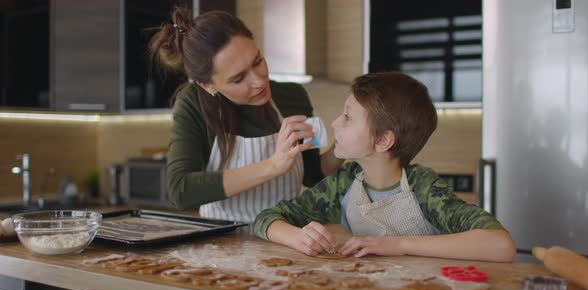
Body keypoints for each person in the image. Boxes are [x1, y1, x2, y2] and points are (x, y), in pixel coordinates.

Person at [253, 72, 516, 262]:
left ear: (382, 140)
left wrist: (398, 245)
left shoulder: (423, 187)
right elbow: (266, 219)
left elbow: (501, 245)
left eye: (347, 117)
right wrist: (297, 238)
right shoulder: (343, 182)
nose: (335, 123)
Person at [148, 9, 343, 222]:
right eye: (239, 78)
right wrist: (272, 166)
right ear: (208, 85)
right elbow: (180, 191)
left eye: (257, 61)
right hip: (221, 245)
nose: (259, 81)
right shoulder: (194, 103)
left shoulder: (292, 96)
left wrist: (342, 145)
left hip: (284, 242)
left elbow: (313, 174)